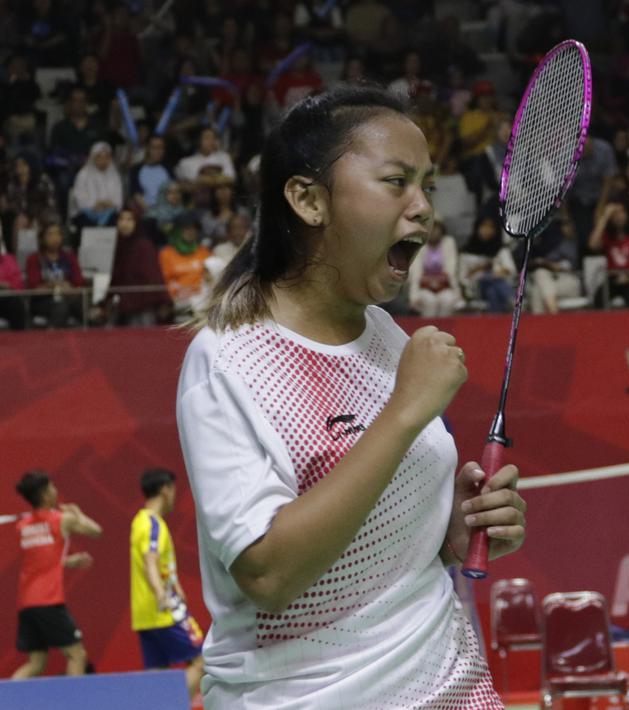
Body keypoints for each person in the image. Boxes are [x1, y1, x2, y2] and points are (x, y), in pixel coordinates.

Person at [177, 86, 523, 706]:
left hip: (447, 685)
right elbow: (268, 573)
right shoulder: (228, 359)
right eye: (396, 182)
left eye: (428, 186)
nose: (423, 209)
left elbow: (381, 550)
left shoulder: (388, 338)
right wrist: (403, 414)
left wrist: (455, 526)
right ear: (309, 200)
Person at [11, 470, 103, 679]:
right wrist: (77, 513)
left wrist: (70, 561)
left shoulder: (22, 526)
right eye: (52, 487)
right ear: (44, 495)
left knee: (36, 664)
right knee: (77, 655)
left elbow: (42, 562)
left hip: (27, 603)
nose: (56, 491)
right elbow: (96, 531)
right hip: (49, 600)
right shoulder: (62, 520)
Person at [130, 468, 205, 698]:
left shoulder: (140, 521)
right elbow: (150, 562)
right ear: (165, 490)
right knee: (202, 662)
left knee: (157, 675)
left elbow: (159, 566)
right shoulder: (152, 524)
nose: (174, 496)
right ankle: (173, 703)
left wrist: (176, 586)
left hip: (144, 615)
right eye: (173, 490)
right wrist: (162, 594)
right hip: (163, 611)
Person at [590, 202, 629, 308]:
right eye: (615, 213)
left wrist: (628, 276)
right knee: (599, 300)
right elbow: (592, 245)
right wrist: (605, 216)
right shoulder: (607, 236)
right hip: (613, 278)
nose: (618, 216)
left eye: (621, 212)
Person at [407, 222, 462, 317]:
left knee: (448, 300)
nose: (433, 231)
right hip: (424, 288)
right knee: (430, 302)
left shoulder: (448, 242)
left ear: (442, 229)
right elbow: (415, 272)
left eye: (436, 228)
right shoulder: (419, 243)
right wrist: (413, 297)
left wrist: (458, 294)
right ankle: (429, 330)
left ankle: (445, 330)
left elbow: (451, 272)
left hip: (444, 287)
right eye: (431, 228)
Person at [71, 142, 125, 228]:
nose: (103, 161)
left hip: (109, 212)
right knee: (85, 222)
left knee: (115, 220)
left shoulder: (115, 175)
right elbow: (79, 198)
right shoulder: (83, 174)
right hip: (87, 211)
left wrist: (108, 204)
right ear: (93, 158)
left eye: (106, 157)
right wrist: (94, 205)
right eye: (100, 157)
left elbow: (118, 201)